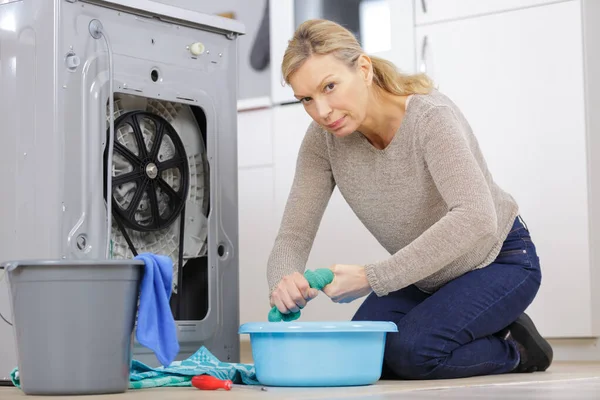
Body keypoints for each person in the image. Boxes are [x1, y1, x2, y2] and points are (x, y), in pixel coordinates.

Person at [266, 19, 553, 380]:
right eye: (307, 98)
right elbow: (293, 234)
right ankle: (469, 322)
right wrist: (283, 282)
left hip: (498, 260)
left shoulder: (429, 118)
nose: (321, 111)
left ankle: (516, 346)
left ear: (364, 69)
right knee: (361, 355)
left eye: (330, 86)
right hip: (425, 276)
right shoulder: (321, 141)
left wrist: (372, 277)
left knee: (413, 354)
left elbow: (477, 217)